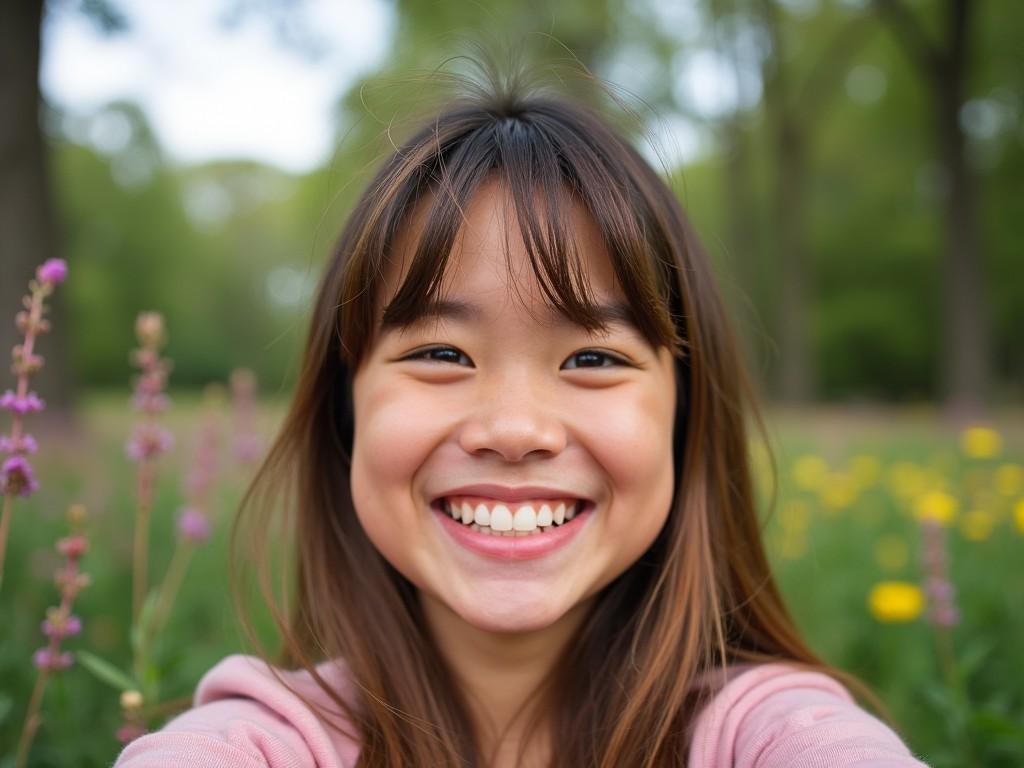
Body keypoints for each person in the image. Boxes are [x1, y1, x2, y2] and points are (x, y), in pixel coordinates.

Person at [114, 66, 930, 767]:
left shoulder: (772, 734)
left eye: (593, 359)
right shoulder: (259, 740)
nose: (512, 429)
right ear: (345, 409)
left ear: (684, 419)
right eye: (440, 354)